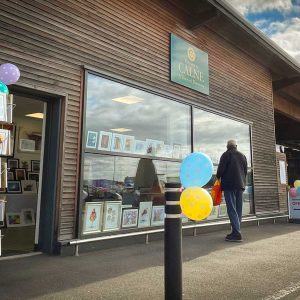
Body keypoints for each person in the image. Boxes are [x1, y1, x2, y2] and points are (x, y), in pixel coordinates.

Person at [216, 139, 248, 242]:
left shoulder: (226, 155)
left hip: (229, 185)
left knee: (231, 209)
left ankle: (237, 234)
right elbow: (245, 171)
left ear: (227, 146)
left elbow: (220, 170)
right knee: (238, 209)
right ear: (236, 146)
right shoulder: (243, 155)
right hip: (241, 185)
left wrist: (217, 178)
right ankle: (235, 232)